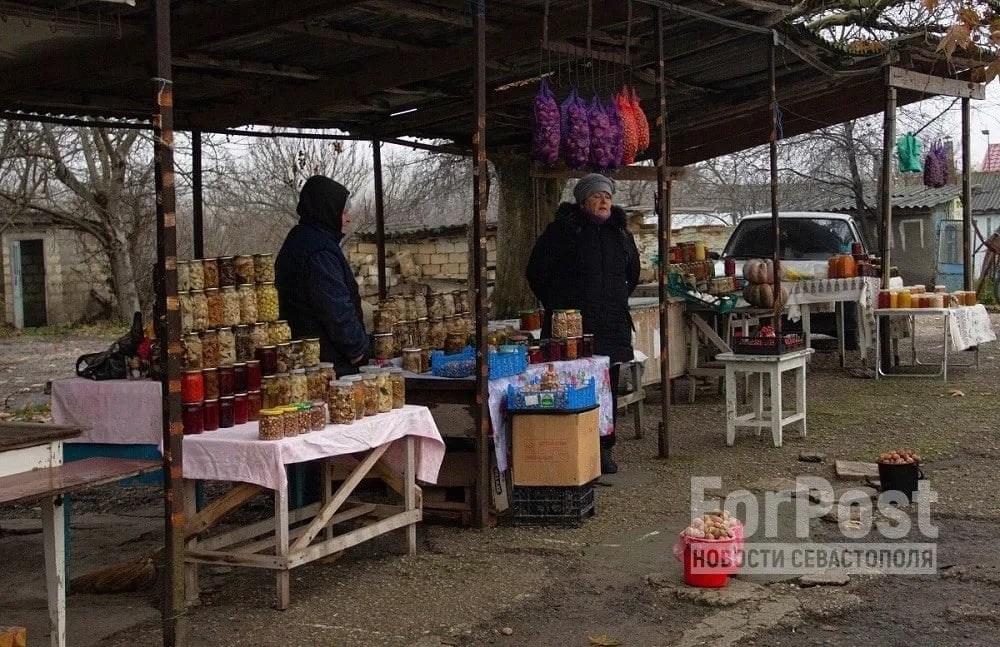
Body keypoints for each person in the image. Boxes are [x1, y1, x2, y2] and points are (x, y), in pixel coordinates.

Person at [526, 173, 640, 475]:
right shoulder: (563, 231)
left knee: (608, 387)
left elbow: (634, 274)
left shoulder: (621, 234)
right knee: (569, 382)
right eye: (597, 196)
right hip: (572, 327)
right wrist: (557, 305)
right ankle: (567, 446)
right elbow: (535, 270)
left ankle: (605, 449)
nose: (604, 201)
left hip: (612, 325)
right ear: (582, 200)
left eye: (607, 196)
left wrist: (613, 299)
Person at [275, 175, 369, 377]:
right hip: (327, 364)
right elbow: (336, 308)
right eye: (343, 211)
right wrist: (358, 351)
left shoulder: (302, 239)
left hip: (308, 358)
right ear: (328, 210)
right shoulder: (319, 251)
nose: (348, 217)